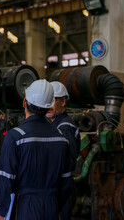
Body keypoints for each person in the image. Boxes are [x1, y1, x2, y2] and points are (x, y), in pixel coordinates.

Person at [0, 79, 72, 220]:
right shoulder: (62, 139)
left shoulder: (15, 137)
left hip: (26, 207)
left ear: (24, 102)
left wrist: (2, 213)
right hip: (52, 206)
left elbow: (6, 180)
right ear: (49, 107)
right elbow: (66, 183)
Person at [47, 81, 81, 220]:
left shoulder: (65, 127)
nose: (49, 105)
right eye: (47, 100)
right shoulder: (55, 124)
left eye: (53, 100)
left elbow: (69, 160)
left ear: (63, 102)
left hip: (62, 187)